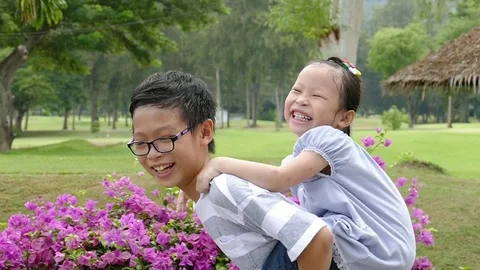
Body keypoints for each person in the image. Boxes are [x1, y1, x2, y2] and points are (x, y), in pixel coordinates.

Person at [196, 57, 417, 270]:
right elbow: (273, 180)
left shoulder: (329, 138)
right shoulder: (306, 156)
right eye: (297, 90)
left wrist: (219, 164)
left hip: (374, 247)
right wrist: (205, 174)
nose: (302, 99)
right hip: (381, 251)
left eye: (317, 96)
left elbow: (278, 179)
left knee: (298, 241)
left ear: (344, 118)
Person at [128, 70, 336, 269]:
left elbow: (317, 237)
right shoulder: (208, 191)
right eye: (140, 143)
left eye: (165, 139)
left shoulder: (224, 189)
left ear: (205, 132)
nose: (153, 154)